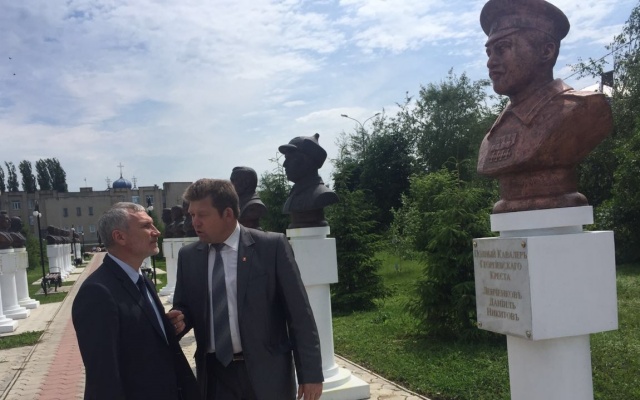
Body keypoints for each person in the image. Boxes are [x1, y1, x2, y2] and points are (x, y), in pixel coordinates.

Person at [169, 179, 323, 400]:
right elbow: (185, 307)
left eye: (202, 215)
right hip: (214, 377)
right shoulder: (189, 256)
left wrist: (311, 374)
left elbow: (299, 314)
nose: (195, 222)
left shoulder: (271, 247)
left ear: (228, 214)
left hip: (267, 375)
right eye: (192, 215)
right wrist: (178, 321)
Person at [477, 0, 612, 213]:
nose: (490, 62)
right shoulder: (494, 133)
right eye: (489, 52)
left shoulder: (582, 109)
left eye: (502, 48)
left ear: (546, 51)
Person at [72, 202, 200, 400]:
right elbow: (103, 377)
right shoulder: (97, 292)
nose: (156, 232)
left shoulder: (142, 280)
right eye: (146, 226)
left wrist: (165, 328)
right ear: (119, 237)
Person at [278, 133, 338, 228]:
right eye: (286, 158)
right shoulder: (294, 194)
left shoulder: (322, 195)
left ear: (307, 160)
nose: (284, 164)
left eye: (290, 158)